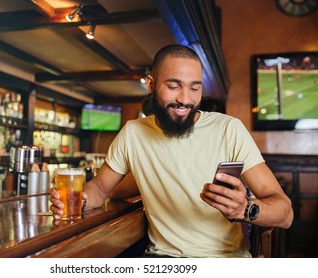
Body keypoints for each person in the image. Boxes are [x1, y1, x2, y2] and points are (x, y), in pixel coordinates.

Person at [50, 44, 293, 258]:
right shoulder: (133, 133)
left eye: (194, 88)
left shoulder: (229, 129)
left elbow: (285, 213)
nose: (185, 99)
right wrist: (79, 200)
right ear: (151, 84)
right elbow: (101, 188)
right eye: (174, 86)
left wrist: (245, 209)